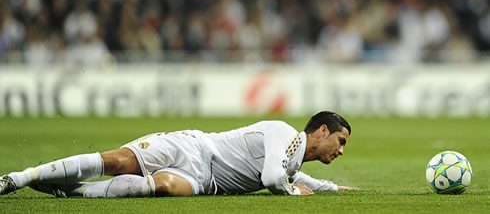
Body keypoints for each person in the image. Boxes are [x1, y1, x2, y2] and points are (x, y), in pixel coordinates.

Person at [0, 111, 358, 197]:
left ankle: (73, 190)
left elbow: (295, 175)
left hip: (204, 180)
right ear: (321, 131)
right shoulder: (283, 132)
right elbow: (272, 178)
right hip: (194, 146)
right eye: (340, 141)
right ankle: (20, 177)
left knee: (162, 187)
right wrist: (293, 191)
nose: (341, 151)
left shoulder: (294, 159)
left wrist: (336, 189)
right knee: (117, 162)